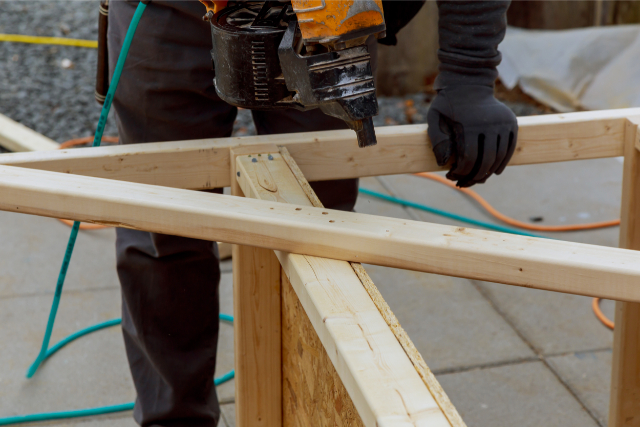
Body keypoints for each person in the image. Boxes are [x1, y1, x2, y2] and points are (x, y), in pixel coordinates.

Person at [107, 1, 516, 425]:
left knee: (319, 235)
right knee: (162, 224)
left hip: (324, 13)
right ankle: (173, 419)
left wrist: (469, 76)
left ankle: (311, 411)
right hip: (168, 10)